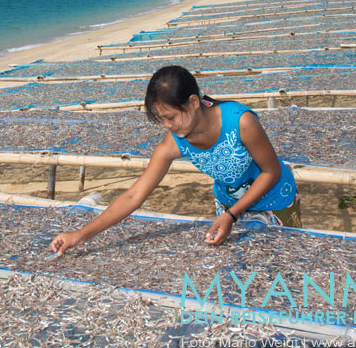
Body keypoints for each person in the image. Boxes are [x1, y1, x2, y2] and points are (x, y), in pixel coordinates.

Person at [50, 65, 300, 256]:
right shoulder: (173, 143)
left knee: (279, 262)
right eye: (161, 119)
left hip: (275, 200)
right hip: (228, 206)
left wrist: (233, 215)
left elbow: (271, 172)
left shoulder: (241, 122)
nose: (167, 126)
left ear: (193, 102)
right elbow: (133, 196)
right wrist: (80, 235)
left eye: (171, 117)